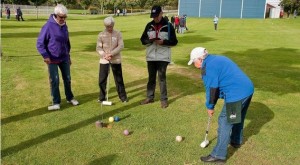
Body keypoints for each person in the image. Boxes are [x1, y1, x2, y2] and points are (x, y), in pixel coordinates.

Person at [187, 47, 254, 163]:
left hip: (237, 94)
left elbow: (212, 90)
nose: (194, 64)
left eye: (194, 61)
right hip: (247, 89)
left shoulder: (209, 67)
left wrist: (210, 106)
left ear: (200, 59)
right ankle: (236, 140)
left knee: (225, 121)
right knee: (236, 117)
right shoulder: (216, 59)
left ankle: (218, 155)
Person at [36, 4, 79, 111]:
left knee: (67, 78)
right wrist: (45, 55)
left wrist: (68, 56)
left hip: (64, 57)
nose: (63, 19)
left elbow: (66, 42)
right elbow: (40, 43)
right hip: (52, 58)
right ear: (55, 16)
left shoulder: (64, 25)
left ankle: (70, 98)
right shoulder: (47, 26)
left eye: (65, 17)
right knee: (55, 80)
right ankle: (56, 102)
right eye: (61, 17)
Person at [140, 5, 178, 108]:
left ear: (161, 13)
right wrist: (150, 40)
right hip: (151, 56)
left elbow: (174, 42)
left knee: (162, 78)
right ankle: (150, 97)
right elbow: (142, 40)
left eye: (157, 15)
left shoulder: (169, 26)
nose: (155, 18)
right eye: (153, 16)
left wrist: (163, 42)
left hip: (163, 57)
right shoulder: (149, 25)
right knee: (151, 78)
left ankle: (164, 100)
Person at [96, 16, 128, 103]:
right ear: (105, 26)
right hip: (104, 59)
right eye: (107, 27)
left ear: (113, 25)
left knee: (118, 79)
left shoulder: (118, 33)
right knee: (102, 79)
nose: (109, 28)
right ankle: (102, 97)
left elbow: (121, 46)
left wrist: (111, 54)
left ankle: (123, 97)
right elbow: (98, 48)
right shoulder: (101, 35)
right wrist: (104, 55)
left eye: (111, 26)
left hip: (116, 59)